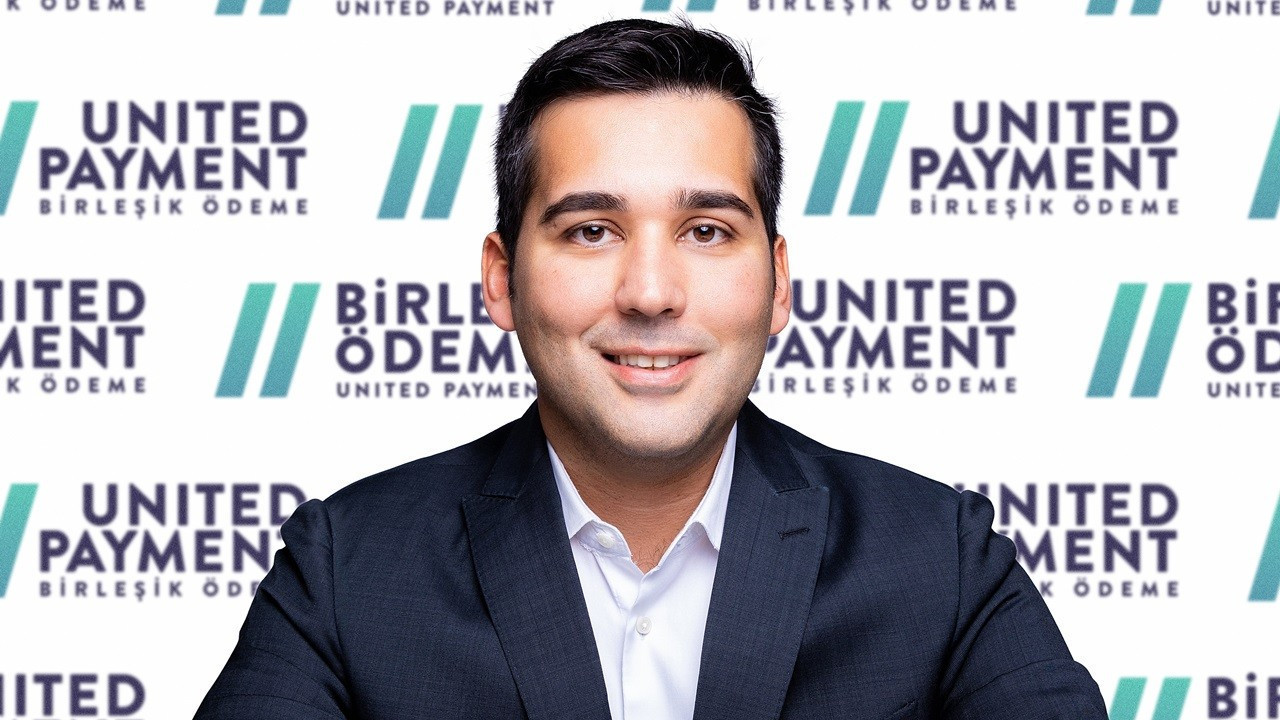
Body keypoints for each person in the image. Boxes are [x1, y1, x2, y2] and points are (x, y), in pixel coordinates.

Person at [195, 18, 1108, 720]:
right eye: (592, 230)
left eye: (706, 231)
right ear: (502, 280)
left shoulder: (939, 559)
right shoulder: (347, 571)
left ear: (778, 282)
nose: (650, 292)